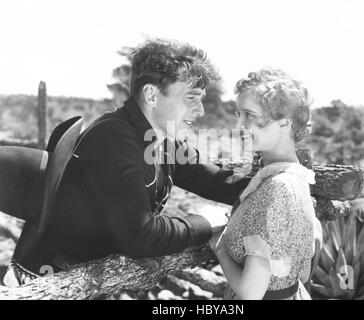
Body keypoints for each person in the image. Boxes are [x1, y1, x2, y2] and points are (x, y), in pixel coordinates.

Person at [4, 39, 250, 286]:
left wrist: (275, 181)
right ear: (152, 95)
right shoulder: (113, 140)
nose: (200, 110)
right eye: (191, 97)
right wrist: (207, 222)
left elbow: (214, 180)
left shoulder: (160, 138)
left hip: (86, 279)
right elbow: (142, 236)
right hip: (43, 279)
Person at [209, 67, 322, 300]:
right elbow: (302, 272)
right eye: (238, 114)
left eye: (249, 115)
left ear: (284, 124)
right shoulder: (296, 178)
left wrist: (220, 249)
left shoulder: (277, 188)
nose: (239, 125)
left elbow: (251, 293)